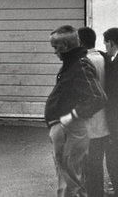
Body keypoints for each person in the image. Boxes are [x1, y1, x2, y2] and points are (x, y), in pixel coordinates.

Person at [45, 25, 107, 197]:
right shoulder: (71, 64)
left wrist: (71, 116)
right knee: (67, 178)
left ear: (65, 46)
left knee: (71, 181)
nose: (54, 52)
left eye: (55, 47)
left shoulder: (80, 65)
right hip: (65, 128)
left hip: (71, 129)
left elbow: (98, 97)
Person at [78, 27, 110, 197]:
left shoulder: (83, 62)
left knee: (88, 170)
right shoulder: (104, 59)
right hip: (105, 124)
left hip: (88, 126)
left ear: (80, 42)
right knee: (96, 169)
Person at [103, 28, 118, 196]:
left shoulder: (115, 65)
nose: (106, 47)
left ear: (111, 42)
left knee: (113, 158)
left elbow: (112, 96)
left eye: (106, 44)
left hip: (115, 120)